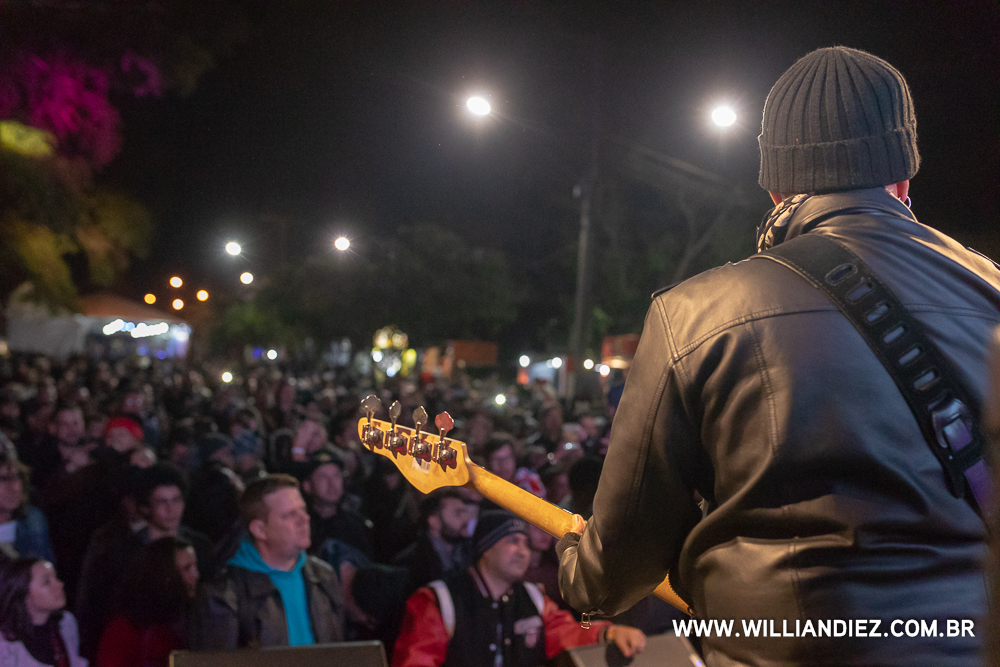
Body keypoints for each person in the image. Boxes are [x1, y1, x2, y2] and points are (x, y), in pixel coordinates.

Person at [556, 46, 996, 666]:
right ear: (902, 176)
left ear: (774, 184)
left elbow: (617, 565)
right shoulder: (991, 291)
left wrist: (577, 566)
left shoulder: (694, 314)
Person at [393, 511, 645, 667]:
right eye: (513, 541)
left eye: (526, 543)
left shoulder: (534, 597)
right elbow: (416, 661)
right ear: (486, 549)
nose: (524, 551)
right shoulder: (438, 600)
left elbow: (565, 633)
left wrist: (608, 633)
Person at [190, 474, 344, 649]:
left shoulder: (323, 576)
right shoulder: (224, 593)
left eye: (303, 510)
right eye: (290, 515)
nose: (304, 519)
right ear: (260, 530)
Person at [94, 537, 199, 667]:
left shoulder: (191, 622)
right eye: (187, 568)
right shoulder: (124, 631)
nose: (196, 575)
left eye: (195, 566)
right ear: (165, 574)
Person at [0, 558, 87, 667]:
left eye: (55, 577)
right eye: (46, 582)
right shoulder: (7, 647)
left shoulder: (66, 623)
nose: (59, 584)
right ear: (24, 595)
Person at [0, 444, 55, 561]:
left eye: (16, 477)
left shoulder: (33, 520)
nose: (13, 487)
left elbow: (45, 570)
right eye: (3, 479)